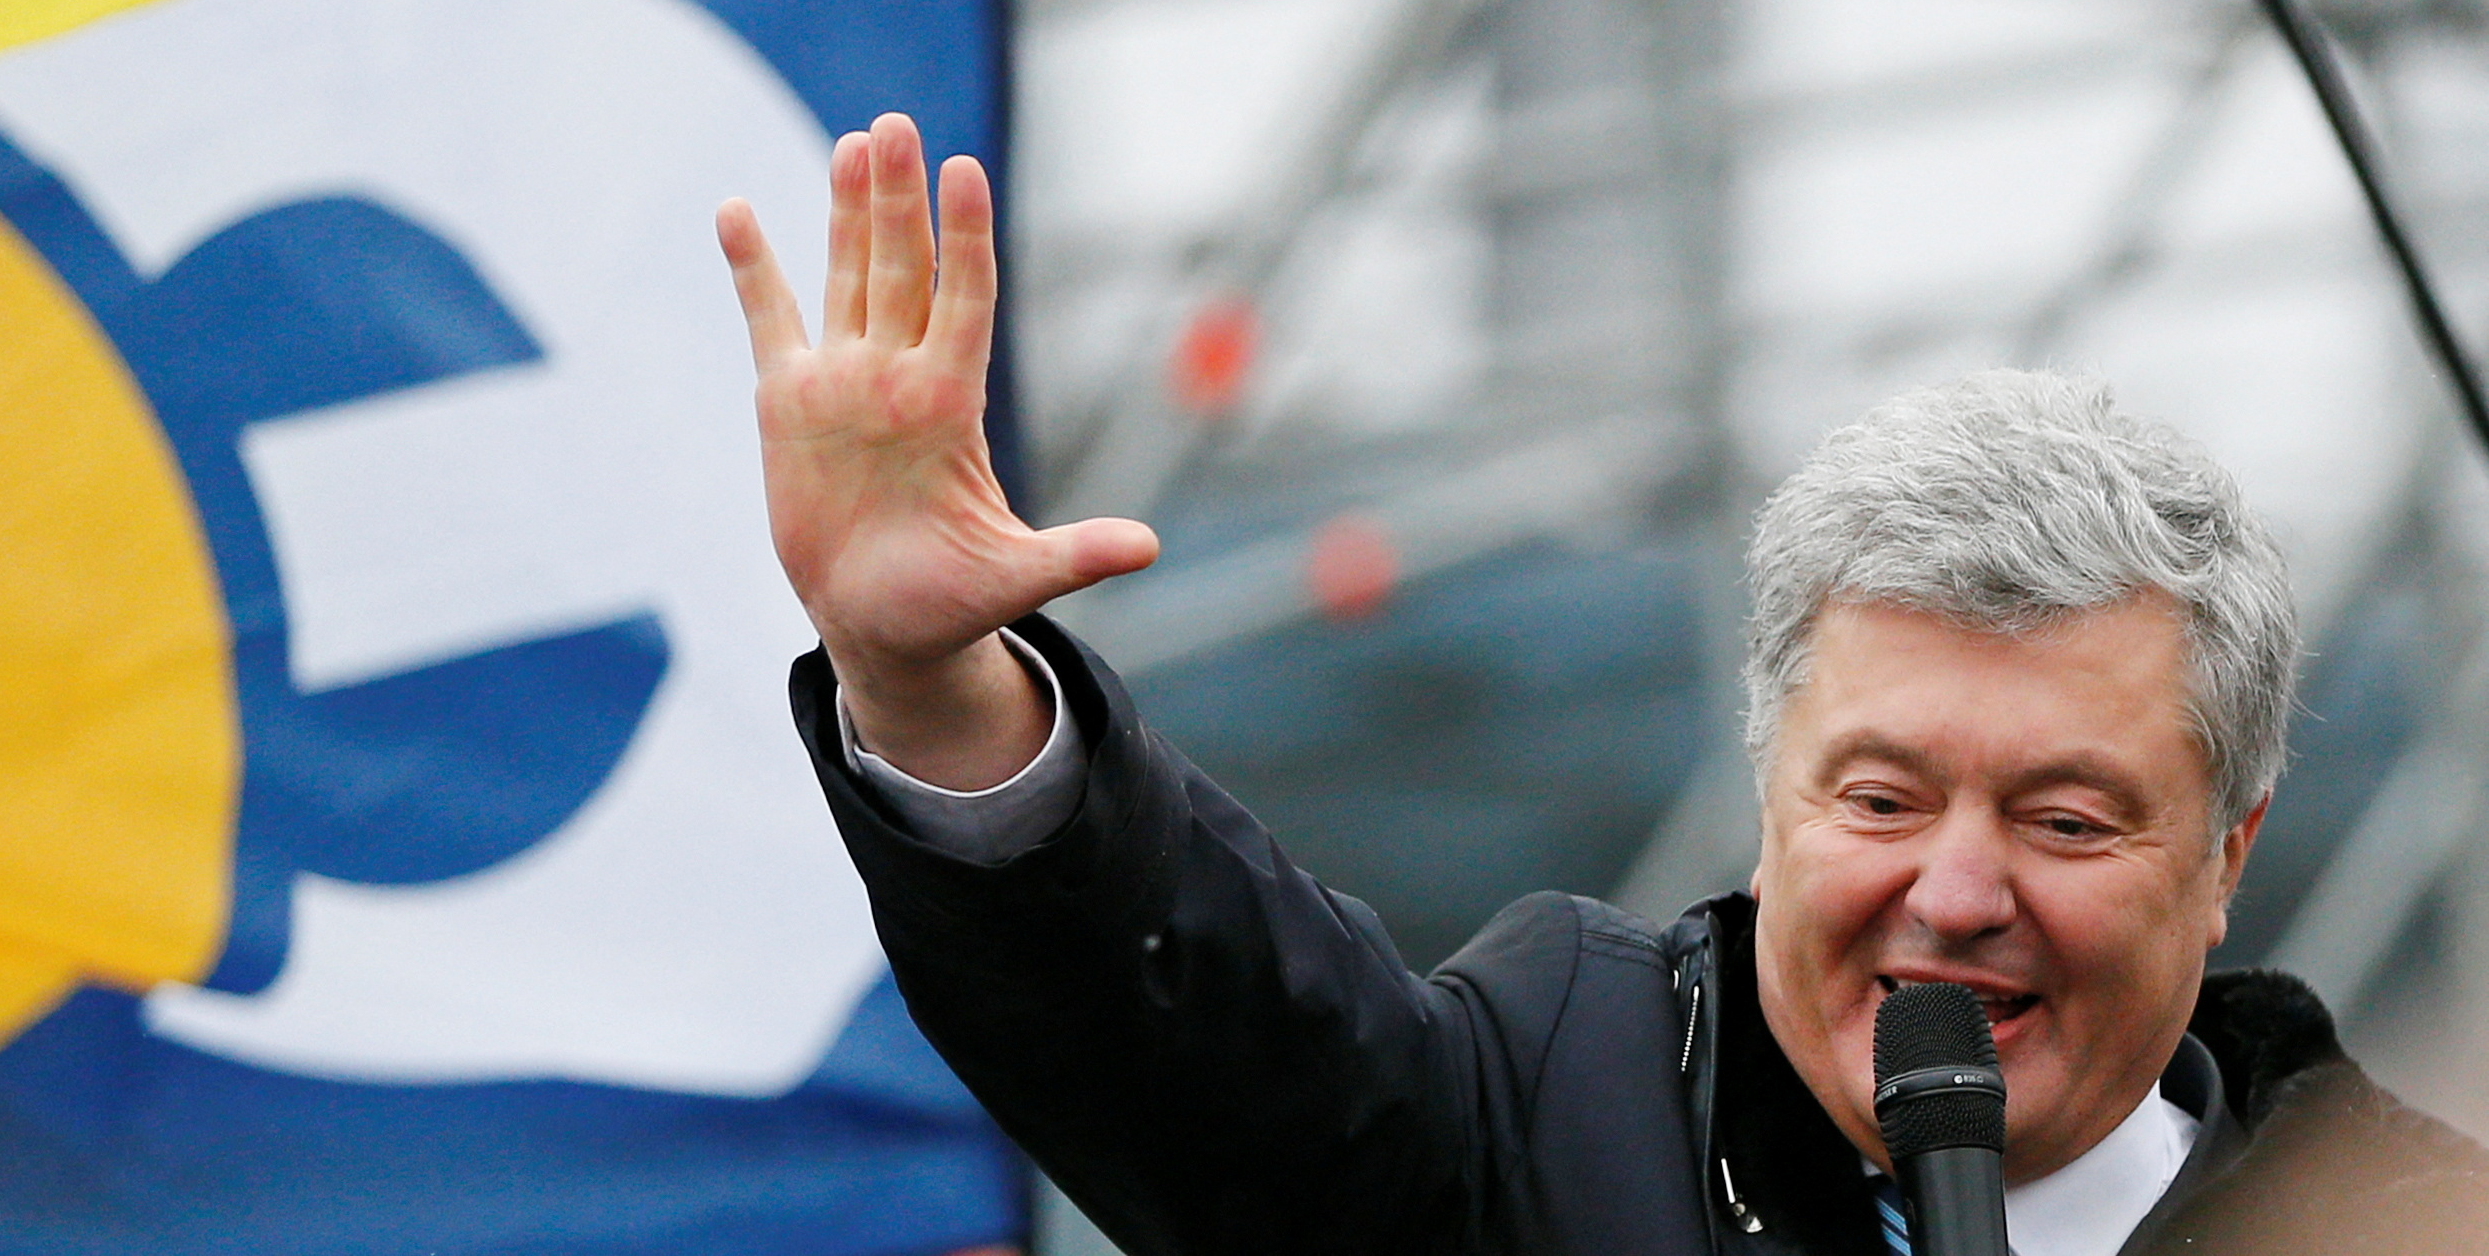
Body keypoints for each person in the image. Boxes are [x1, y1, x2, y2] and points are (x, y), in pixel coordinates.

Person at [716, 113, 2489, 1256]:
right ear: (1770, 790)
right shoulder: (1563, 1110)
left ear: (2229, 850)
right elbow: (1206, 1033)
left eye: (2065, 817)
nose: (1956, 891)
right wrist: (929, 679)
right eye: (1879, 797)